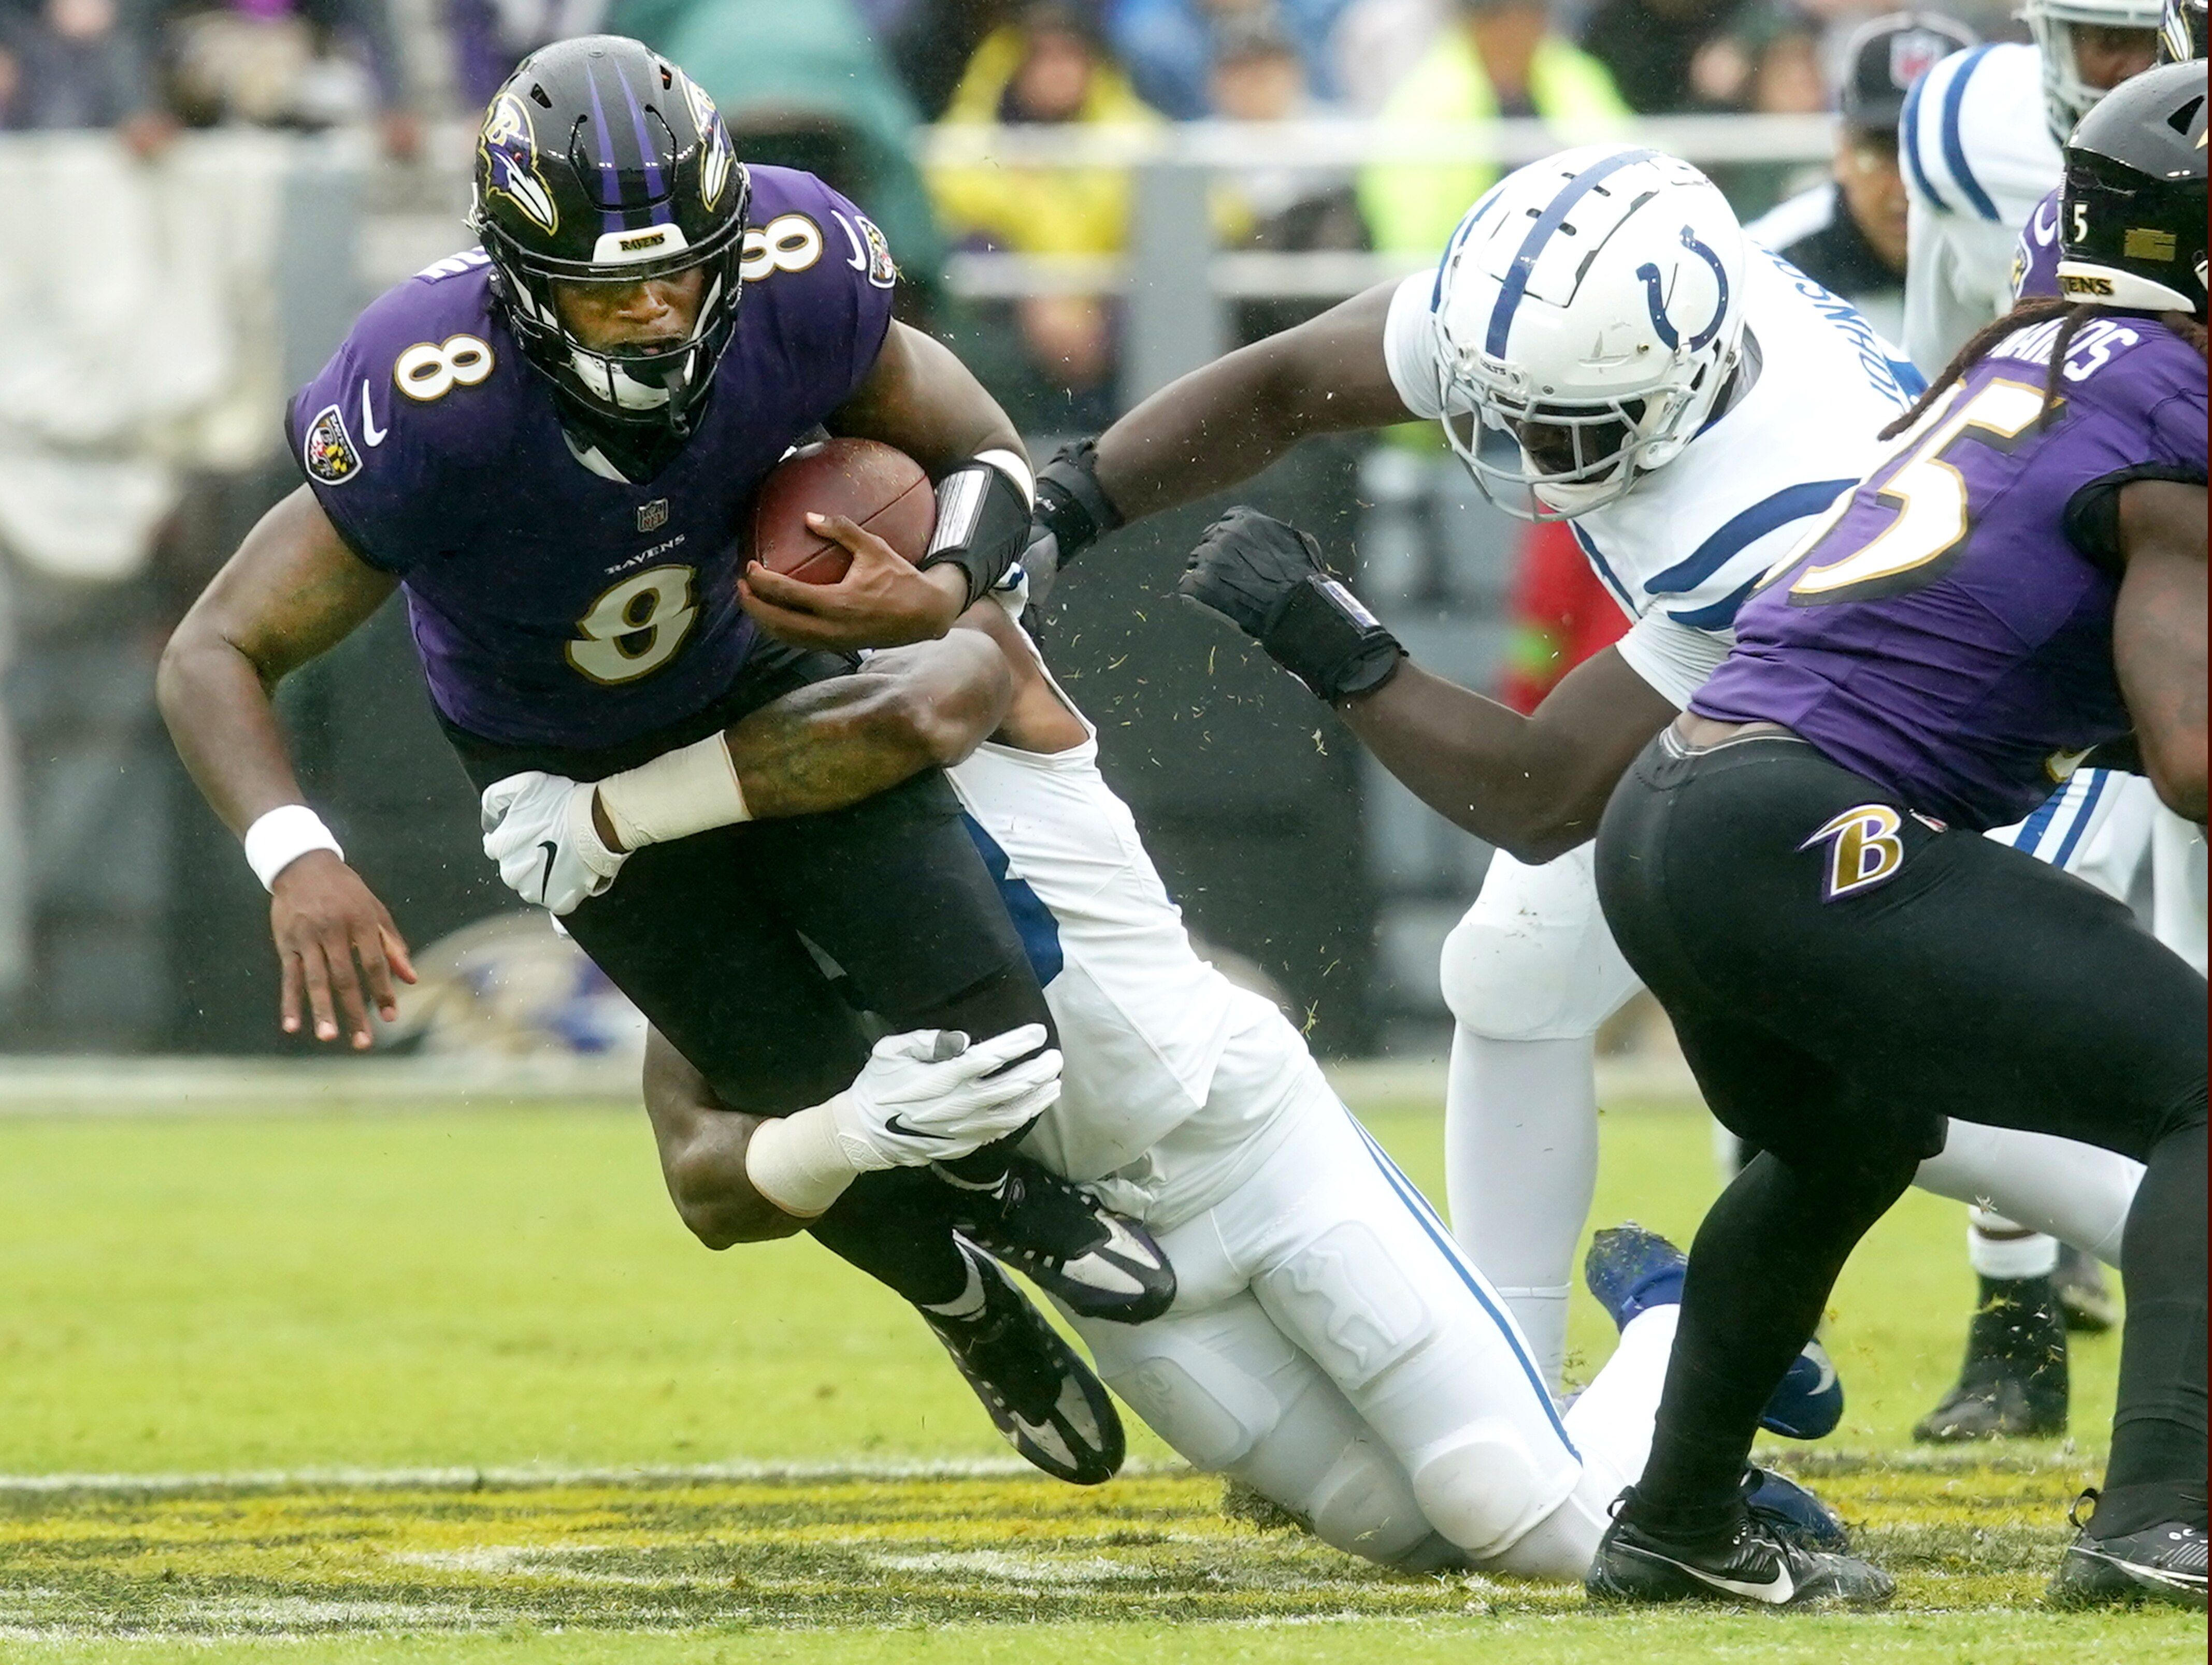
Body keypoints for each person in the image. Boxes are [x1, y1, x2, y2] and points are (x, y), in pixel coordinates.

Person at [155, 35, 1168, 1485]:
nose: (648, 314)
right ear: (517, 275)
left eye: (679, 272)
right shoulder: (430, 391)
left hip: (763, 672)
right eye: (604, 286)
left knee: (996, 1038)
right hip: (563, 766)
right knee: (796, 1076)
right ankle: (967, 1293)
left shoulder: (798, 261)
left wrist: (940, 579)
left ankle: (993, 1181)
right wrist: (297, 854)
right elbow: (214, 647)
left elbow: (989, 452)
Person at [1026, 142, 2146, 1411]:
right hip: (1786, 724)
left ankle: (2179, 1231)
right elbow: (1286, 381)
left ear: (1689, 381)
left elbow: (1541, 796)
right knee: (1515, 972)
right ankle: (1491, 1386)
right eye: (1491, 406)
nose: (1513, 446)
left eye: (1562, 427)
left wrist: (1332, 645)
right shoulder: (1578, 326)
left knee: (1914, 1102)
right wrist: (1067, 500)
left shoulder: (1783, 500)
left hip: (1970, 744)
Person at [511, 586, 1858, 1580]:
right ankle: (1672, 1344)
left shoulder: (964, 683)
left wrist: (621, 811)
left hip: (1244, 1135)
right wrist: (838, 1132)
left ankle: (1688, 1358)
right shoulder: (734, 897)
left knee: (1508, 1502)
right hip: (1106, 1244)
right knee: (1419, 1532)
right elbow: (700, 1177)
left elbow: (904, 704)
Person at [1580, 63, 2206, 1606]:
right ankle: (2157, 1521)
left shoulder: (2054, 359)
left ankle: (1673, 1523)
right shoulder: (2175, 406)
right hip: (1802, 823)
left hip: (1672, 815)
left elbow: (2091, 688)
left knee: (1842, 1136)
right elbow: (2190, 755)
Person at [1898, 0, 2179, 1442]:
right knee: (2047, 944)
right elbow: (1946, 366)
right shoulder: (1961, 123)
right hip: (2089, 599)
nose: (2113, 69)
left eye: (2136, 40)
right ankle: (2015, 1308)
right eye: (2091, 37)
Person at [1745, 13, 1976, 344]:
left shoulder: (2031, 257)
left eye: (1931, 155)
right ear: (1843, 151)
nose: (1907, 188)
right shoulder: (1767, 269)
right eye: (1882, 154)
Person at [1354, 0, 1628, 256]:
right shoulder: (1427, 99)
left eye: (1531, 16)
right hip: (1468, 265)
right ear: (1475, 24)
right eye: (1505, 18)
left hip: (1573, 258)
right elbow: (1407, 218)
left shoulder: (1575, 78)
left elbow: (1626, 166)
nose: (1519, 33)